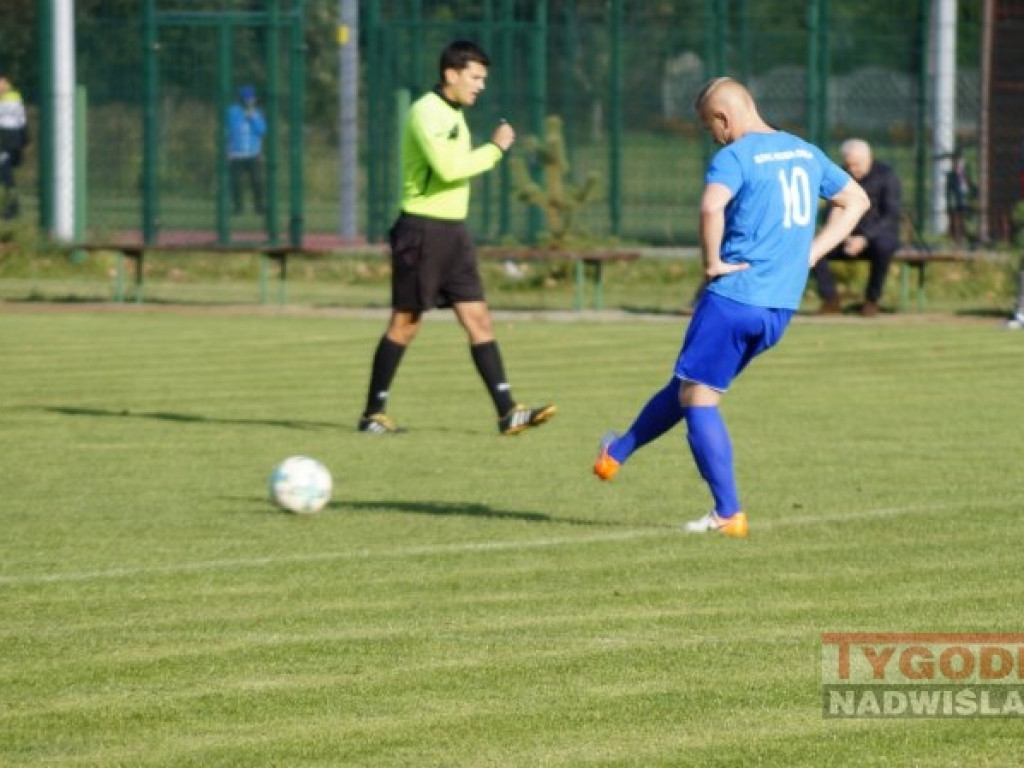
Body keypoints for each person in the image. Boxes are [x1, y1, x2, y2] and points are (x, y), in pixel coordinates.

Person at [592, 77, 869, 538]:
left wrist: (712, 262)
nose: (713, 136)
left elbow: (710, 208)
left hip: (735, 296)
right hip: (778, 307)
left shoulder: (736, 156)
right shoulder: (803, 150)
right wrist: (812, 254)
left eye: (710, 127)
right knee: (692, 383)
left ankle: (727, 513)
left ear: (723, 117)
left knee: (699, 398)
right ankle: (615, 454)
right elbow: (855, 200)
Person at [357, 40, 556, 436]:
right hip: (422, 231)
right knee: (405, 324)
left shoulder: (455, 114)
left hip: (453, 233)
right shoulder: (426, 112)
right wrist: (495, 149)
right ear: (451, 74)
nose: (481, 85)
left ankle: (507, 411)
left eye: (484, 79)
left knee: (478, 318)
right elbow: (448, 169)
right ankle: (372, 415)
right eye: (475, 77)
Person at [811, 138, 900, 317]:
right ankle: (830, 299)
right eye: (848, 165)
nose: (852, 170)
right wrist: (840, 234)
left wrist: (865, 237)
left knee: (884, 247)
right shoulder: (840, 175)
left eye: (856, 165)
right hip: (844, 235)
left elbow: (890, 214)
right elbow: (832, 210)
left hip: (876, 236)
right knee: (813, 248)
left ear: (869, 159)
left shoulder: (886, 176)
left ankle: (871, 301)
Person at [226, 85, 266, 215]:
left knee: (257, 181)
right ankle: (238, 208)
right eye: (247, 98)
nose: (250, 100)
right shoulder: (233, 112)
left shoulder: (257, 113)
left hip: (252, 153)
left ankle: (259, 207)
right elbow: (229, 132)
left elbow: (262, 131)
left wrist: (253, 117)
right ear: (241, 99)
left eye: (252, 98)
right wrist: (228, 151)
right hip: (237, 153)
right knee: (236, 182)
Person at [0, 76, 29, 220]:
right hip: (12, 138)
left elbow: (20, 119)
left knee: (5, 172)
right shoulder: (16, 98)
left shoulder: (11, 98)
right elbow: (21, 119)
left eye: (2, 83)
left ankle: (12, 207)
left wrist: (23, 139)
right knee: (5, 173)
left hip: (7, 139)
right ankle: (11, 206)